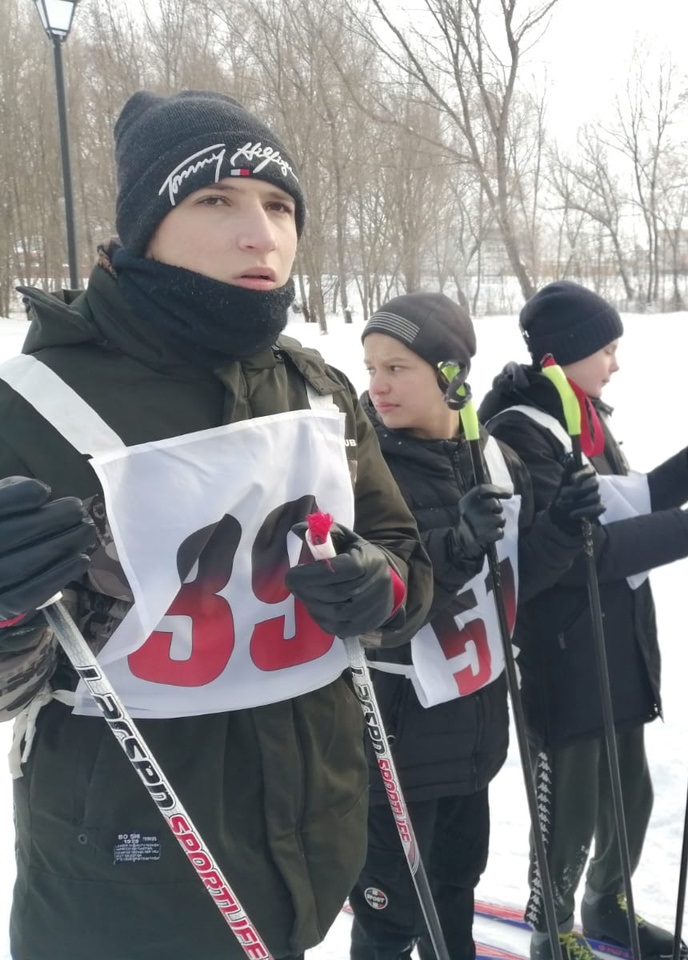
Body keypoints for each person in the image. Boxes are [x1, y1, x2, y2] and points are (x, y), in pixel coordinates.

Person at [0, 90, 432, 960]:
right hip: (124, 882)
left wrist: (373, 588)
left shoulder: (313, 387)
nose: (260, 234)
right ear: (143, 226)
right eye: (215, 201)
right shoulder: (33, 406)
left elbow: (407, 569)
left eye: (279, 206)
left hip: (308, 849)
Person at [476, 280, 688, 960]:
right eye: (605, 349)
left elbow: (621, 505)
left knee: (630, 795)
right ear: (565, 354)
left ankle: (609, 902)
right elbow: (572, 555)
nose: (615, 363)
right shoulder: (521, 433)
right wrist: (685, 531)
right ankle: (556, 929)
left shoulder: (583, 421)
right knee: (568, 808)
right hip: (563, 652)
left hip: (617, 642)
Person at [349, 291, 603, 960]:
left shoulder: (492, 457)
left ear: (452, 375)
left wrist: (559, 525)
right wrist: (451, 544)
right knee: (388, 920)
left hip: (471, 734)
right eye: (371, 366)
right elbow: (370, 600)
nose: (376, 385)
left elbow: (514, 578)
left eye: (397, 368)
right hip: (392, 745)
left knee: (454, 893)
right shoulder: (361, 470)